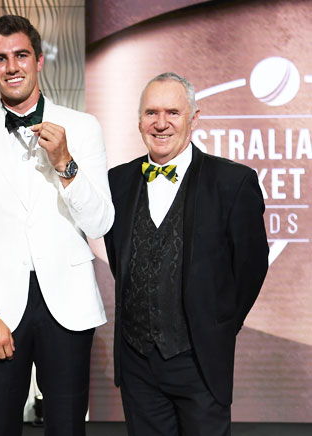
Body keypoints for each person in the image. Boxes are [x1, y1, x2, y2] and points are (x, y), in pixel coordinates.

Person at [0, 15, 114, 436]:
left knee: (66, 428)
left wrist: (65, 162)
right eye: (0, 59)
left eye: (21, 55)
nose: (12, 67)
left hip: (68, 303)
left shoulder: (82, 126)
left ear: (39, 60)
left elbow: (100, 221)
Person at [104, 72, 269, 435]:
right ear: (139, 121)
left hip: (200, 362)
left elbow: (252, 268)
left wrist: (218, 326)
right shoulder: (117, 181)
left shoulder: (233, 183)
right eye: (151, 113)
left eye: (173, 113)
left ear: (194, 119)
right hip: (137, 364)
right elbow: (121, 260)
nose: (161, 123)